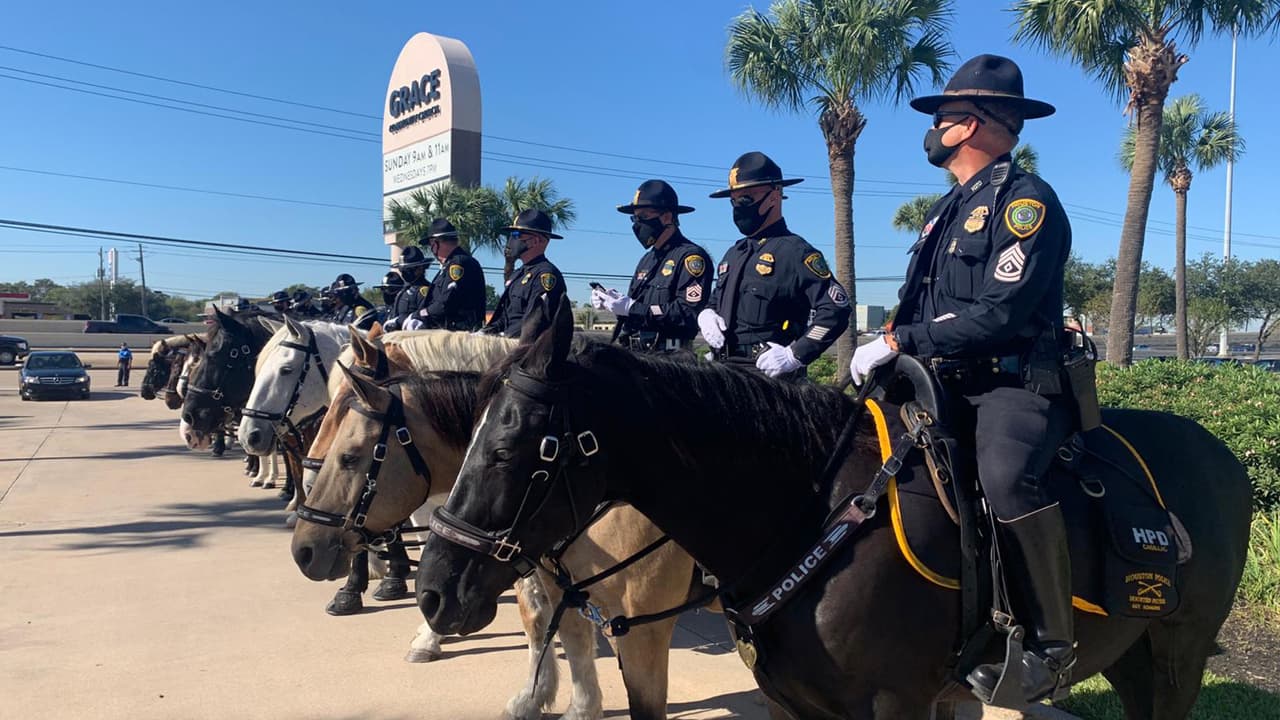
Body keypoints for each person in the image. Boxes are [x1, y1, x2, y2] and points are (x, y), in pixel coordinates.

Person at [849, 54, 1075, 704]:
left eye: (942, 118)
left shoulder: (1025, 203)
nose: (933, 130)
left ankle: (1049, 648)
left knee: (1005, 478)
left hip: (1011, 385)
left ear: (968, 125)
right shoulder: (945, 213)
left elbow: (1000, 314)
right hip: (939, 381)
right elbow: (916, 304)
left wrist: (900, 340)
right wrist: (889, 352)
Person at [697, 152, 850, 379]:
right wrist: (707, 313)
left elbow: (836, 309)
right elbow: (716, 300)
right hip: (724, 372)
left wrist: (795, 354)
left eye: (746, 199)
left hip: (767, 376)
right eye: (734, 201)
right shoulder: (734, 254)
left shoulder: (796, 252)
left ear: (774, 196)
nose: (738, 207)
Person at [592, 180, 712, 352]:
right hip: (636, 355)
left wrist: (631, 308)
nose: (637, 224)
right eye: (634, 218)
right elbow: (637, 310)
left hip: (671, 357)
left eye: (644, 217)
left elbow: (687, 312)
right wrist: (614, 302)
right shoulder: (647, 260)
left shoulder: (690, 257)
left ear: (667, 217)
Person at [481, 209, 566, 338]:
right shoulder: (518, 274)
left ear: (536, 241)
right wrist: (483, 334)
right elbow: (504, 318)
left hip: (528, 352)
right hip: (507, 347)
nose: (511, 240)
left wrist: (504, 341)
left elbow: (536, 324)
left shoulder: (546, 275)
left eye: (517, 235)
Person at [415, 219, 487, 331]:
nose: (431, 249)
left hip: (461, 334)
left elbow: (446, 302)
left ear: (436, 243)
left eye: (431, 244)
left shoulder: (459, 263)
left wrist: (421, 314)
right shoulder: (448, 266)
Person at [384, 246, 432, 331]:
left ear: (420, 269)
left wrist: (399, 321)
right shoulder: (405, 290)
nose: (404, 273)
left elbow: (424, 316)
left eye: (407, 270)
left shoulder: (424, 290)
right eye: (402, 270)